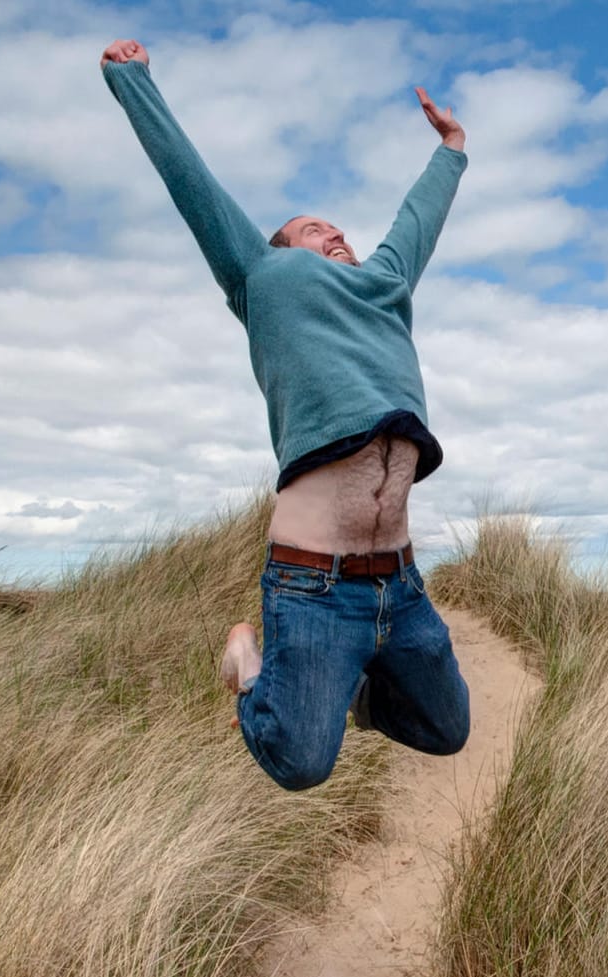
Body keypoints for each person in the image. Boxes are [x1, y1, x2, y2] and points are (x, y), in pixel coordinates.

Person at [100, 38, 471, 790]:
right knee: (302, 763)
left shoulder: (386, 282)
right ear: (278, 251)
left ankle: (356, 693)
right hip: (312, 584)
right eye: (311, 230)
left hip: (399, 584)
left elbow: (417, 219)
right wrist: (130, 81)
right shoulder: (263, 277)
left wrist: (453, 148)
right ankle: (248, 665)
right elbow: (189, 181)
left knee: (447, 729)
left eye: (336, 228)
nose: (332, 233)